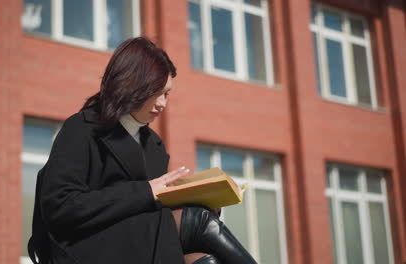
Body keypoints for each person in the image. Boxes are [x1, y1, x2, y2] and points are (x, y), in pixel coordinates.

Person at [28, 37, 257, 264]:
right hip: (87, 246)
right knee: (199, 223)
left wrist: (201, 199)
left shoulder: (154, 145)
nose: (162, 103)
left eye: (167, 94)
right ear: (131, 85)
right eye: (156, 92)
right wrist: (146, 191)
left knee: (206, 260)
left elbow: (153, 209)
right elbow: (61, 208)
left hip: (140, 243)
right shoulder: (81, 128)